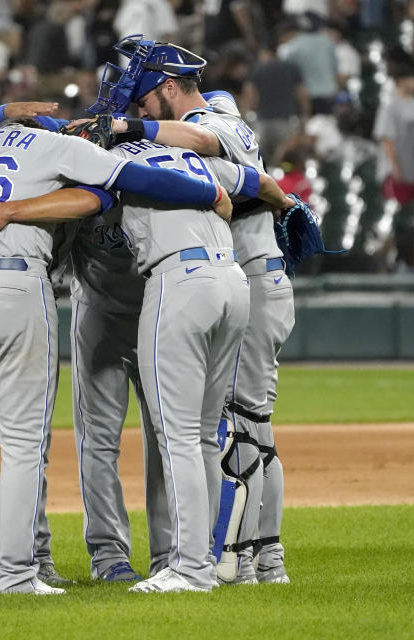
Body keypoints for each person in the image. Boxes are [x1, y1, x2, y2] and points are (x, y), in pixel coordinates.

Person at [0, 107, 233, 594]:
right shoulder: (53, 146)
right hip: (14, 288)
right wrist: (210, 192)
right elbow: (139, 180)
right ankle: (18, 574)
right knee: (25, 443)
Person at [104, 35, 298, 586]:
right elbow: (261, 184)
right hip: (247, 275)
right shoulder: (189, 134)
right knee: (246, 427)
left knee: (235, 428)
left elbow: (199, 140)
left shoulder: (221, 117)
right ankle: (259, 558)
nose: (139, 108)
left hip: (245, 277)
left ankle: (232, 558)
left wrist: (126, 131)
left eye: (145, 98)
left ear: (169, 87)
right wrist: (283, 203)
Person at [374, 62, 414, 206]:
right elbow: (387, 139)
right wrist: (395, 167)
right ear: (401, 80)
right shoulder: (390, 104)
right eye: (412, 78)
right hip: (397, 172)